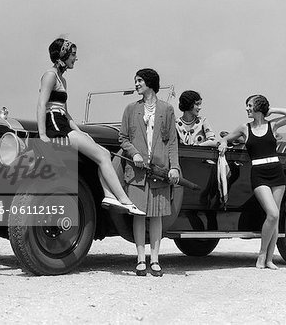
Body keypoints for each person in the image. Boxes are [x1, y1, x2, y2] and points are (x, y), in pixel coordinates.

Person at [36, 38, 145, 216]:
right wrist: (42, 135)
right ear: (63, 55)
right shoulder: (49, 75)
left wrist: (81, 132)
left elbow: (66, 112)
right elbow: (42, 104)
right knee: (102, 155)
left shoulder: (62, 80)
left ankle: (108, 195)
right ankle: (124, 200)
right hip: (55, 127)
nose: (76, 58)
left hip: (63, 123)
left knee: (102, 152)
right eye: (73, 54)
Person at [218, 95, 286, 269]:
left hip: (277, 174)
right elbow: (226, 138)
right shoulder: (244, 128)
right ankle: (261, 255)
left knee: (274, 219)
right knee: (273, 214)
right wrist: (224, 143)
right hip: (259, 174)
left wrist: (272, 110)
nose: (246, 108)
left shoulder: (273, 125)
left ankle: (269, 259)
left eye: (249, 105)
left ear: (258, 107)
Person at [119, 68, 180, 276]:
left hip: (159, 170)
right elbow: (123, 138)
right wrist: (134, 153)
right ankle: (140, 259)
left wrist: (174, 167)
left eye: (139, 80)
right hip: (136, 173)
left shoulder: (167, 109)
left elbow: (172, 141)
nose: (136, 84)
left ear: (150, 83)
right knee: (138, 214)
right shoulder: (130, 109)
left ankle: (155, 259)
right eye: (135, 81)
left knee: (156, 216)